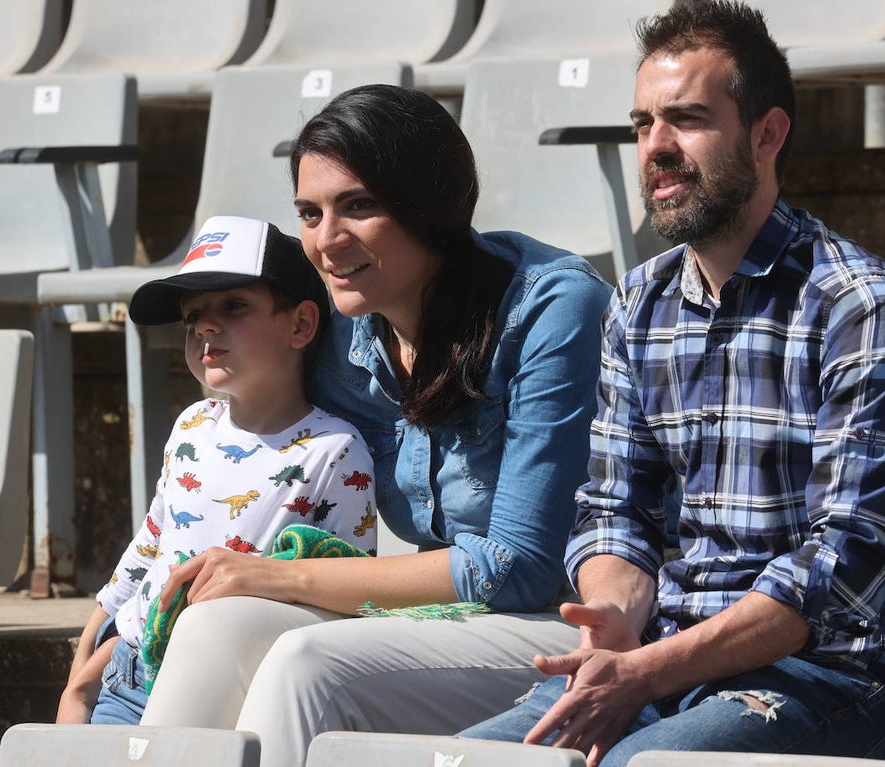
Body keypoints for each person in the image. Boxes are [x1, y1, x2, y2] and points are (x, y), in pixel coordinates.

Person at [459, 3, 885, 766]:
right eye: (644, 122)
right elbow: (615, 507)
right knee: (458, 761)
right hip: (668, 660)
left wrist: (646, 669)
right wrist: (614, 612)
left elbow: (840, 570)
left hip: (839, 677)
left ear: (767, 133)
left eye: (685, 119)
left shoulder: (861, 305)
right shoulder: (640, 300)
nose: (656, 147)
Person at [137, 84, 610, 766]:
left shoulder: (550, 306)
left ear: (430, 204)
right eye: (309, 212)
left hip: (563, 627)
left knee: (306, 660)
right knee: (216, 621)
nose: (326, 241)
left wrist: (280, 575)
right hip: (440, 620)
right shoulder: (341, 327)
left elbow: (520, 566)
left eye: (359, 206)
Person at [55, 214, 379, 725]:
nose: (205, 326)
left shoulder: (335, 450)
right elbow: (151, 541)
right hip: (127, 674)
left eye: (233, 307)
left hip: (234, 683)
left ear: (300, 325)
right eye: (192, 316)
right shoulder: (192, 425)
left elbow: (345, 590)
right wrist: (84, 663)